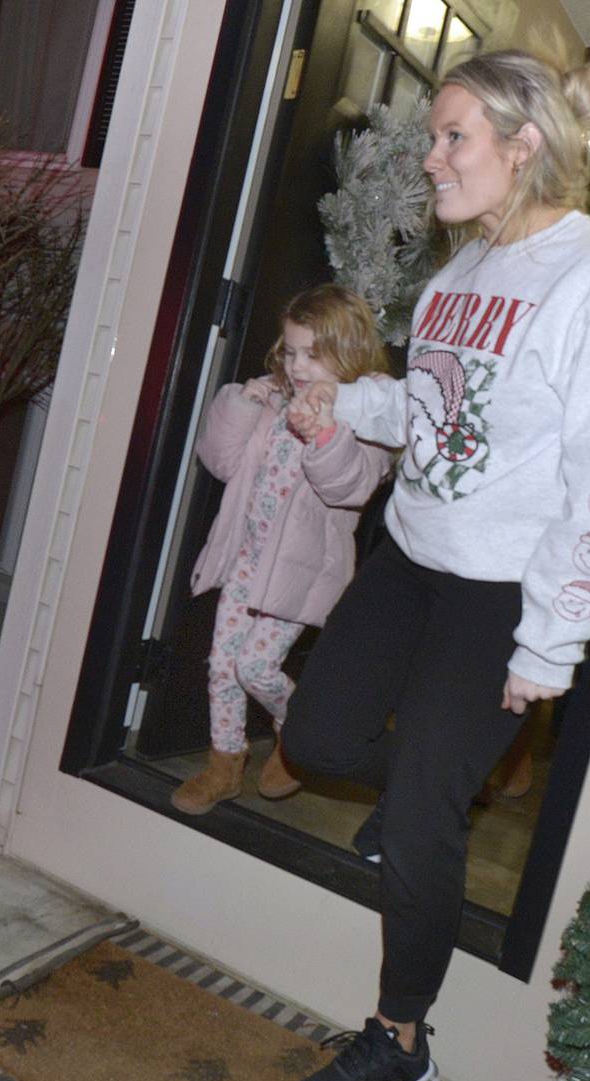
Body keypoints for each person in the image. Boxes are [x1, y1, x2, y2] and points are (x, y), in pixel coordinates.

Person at [281, 47, 590, 1081]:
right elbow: (432, 407)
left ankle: (397, 1040)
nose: (430, 154)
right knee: (315, 738)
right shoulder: (461, 272)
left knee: (415, 816)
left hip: (500, 587)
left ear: (523, 145)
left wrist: (550, 641)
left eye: (452, 135)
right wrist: (349, 408)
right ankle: (428, 804)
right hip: (412, 555)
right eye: (432, 134)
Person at [170, 285, 392, 816]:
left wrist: (324, 434)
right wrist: (242, 406)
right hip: (246, 558)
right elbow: (221, 463)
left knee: (256, 666)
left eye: (313, 355)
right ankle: (224, 765)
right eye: (291, 352)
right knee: (222, 666)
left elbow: (350, 488)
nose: (297, 366)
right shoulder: (275, 400)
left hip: (301, 571)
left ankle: (298, 735)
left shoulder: (368, 415)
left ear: (349, 351)